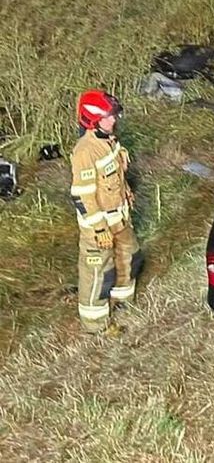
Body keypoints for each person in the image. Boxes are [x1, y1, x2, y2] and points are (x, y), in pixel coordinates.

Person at [70, 90, 142, 336]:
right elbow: (83, 196)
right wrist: (99, 229)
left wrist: (127, 195)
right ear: (92, 120)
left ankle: (122, 302)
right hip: (99, 227)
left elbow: (116, 178)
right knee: (98, 275)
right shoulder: (85, 151)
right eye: (107, 117)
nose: (114, 120)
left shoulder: (109, 140)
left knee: (129, 258)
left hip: (120, 219)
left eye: (113, 115)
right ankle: (96, 325)